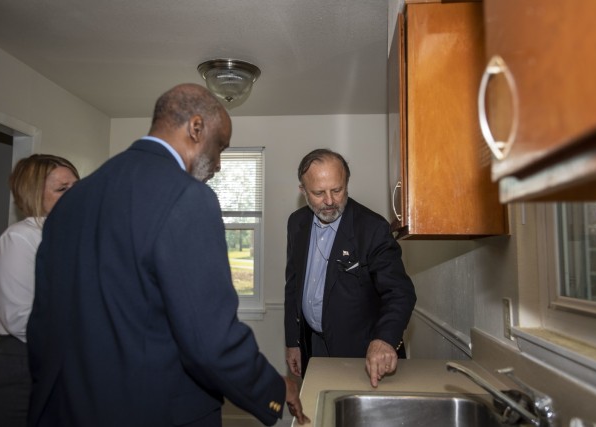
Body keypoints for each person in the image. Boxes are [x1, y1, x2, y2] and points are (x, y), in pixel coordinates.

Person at [26, 83, 308, 427]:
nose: (219, 164)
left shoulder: (73, 200)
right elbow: (209, 341)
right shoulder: (187, 197)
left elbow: (43, 328)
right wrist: (275, 388)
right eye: (220, 147)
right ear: (196, 127)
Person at [284, 148, 416, 388]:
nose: (330, 201)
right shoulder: (296, 223)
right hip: (312, 345)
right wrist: (293, 341)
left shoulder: (373, 228)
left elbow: (400, 293)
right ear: (302, 191)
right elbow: (293, 284)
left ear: (347, 183)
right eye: (318, 193)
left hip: (362, 353)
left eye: (337, 189)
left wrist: (384, 340)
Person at [0, 154, 79, 427]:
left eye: (77, 186)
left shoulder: (70, 237)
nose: (75, 195)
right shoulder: (20, 239)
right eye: (62, 189)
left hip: (60, 358)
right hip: (22, 361)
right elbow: (20, 318)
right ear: (34, 195)